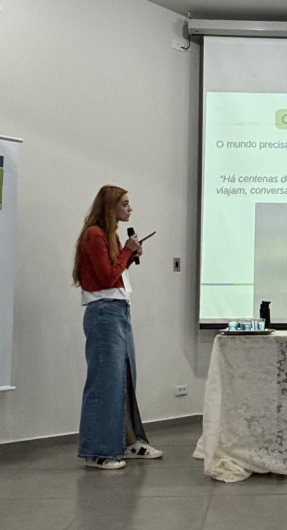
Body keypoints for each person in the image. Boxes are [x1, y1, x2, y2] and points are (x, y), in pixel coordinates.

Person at [72, 185, 162, 469]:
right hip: (104, 313)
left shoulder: (108, 235)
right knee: (104, 383)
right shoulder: (95, 235)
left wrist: (128, 256)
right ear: (110, 207)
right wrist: (127, 250)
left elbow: (113, 274)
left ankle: (128, 440)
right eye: (124, 204)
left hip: (118, 311)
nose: (130, 209)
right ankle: (97, 452)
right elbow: (109, 277)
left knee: (123, 379)